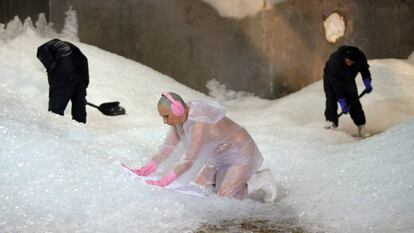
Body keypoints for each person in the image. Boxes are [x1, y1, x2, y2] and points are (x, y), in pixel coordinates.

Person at [130, 92, 277, 202]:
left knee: (226, 198)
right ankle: (227, 180)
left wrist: (165, 181)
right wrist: (147, 168)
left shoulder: (200, 123)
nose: (164, 121)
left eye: (166, 116)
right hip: (219, 157)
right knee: (200, 188)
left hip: (240, 153)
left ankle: (259, 179)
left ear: (178, 109)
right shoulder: (179, 121)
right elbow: (167, 147)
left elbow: (190, 159)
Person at [323, 45, 373, 137]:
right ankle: (331, 123)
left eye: (352, 62)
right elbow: (336, 85)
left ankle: (361, 127)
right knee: (331, 98)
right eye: (348, 61)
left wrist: (367, 81)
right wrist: (342, 101)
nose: (349, 64)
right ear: (344, 57)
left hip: (348, 77)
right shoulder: (335, 61)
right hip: (331, 79)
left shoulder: (360, 58)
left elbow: (365, 70)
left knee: (353, 98)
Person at [36, 38, 89, 123]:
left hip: (66, 66)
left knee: (56, 106)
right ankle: (80, 130)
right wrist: (81, 95)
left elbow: (51, 67)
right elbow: (83, 60)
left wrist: (55, 88)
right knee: (79, 107)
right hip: (82, 69)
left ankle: (53, 128)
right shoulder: (60, 46)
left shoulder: (41, 50)